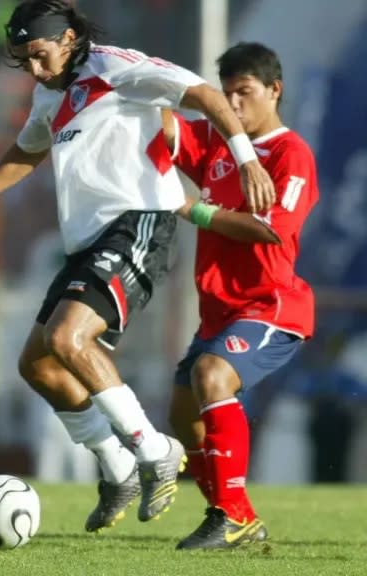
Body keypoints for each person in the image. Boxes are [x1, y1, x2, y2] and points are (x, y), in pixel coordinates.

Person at [0, 0, 275, 531]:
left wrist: (247, 158)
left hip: (139, 222)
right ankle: (116, 466)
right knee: (38, 365)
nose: (36, 70)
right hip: (87, 242)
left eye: (40, 55)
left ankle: (152, 448)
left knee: (69, 340)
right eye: (26, 61)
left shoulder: (118, 67)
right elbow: (26, 152)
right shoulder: (49, 94)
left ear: (68, 38)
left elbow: (204, 95)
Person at [164, 42, 318, 549]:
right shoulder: (215, 140)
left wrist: (196, 211)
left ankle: (227, 515)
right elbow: (165, 127)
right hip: (218, 312)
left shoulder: (290, 153)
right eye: (224, 94)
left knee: (211, 377)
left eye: (244, 93)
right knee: (183, 416)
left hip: (270, 305)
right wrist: (141, 81)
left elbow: (272, 230)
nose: (232, 105)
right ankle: (243, 519)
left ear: (275, 91)